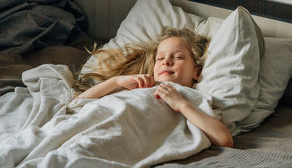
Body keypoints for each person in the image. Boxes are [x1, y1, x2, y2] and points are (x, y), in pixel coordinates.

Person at [76, 27, 233, 148]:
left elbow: (224, 139)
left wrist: (181, 104)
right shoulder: (140, 85)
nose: (166, 62)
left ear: (196, 72)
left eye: (177, 57)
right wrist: (116, 82)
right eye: (160, 58)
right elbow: (79, 102)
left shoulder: (192, 98)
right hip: (91, 125)